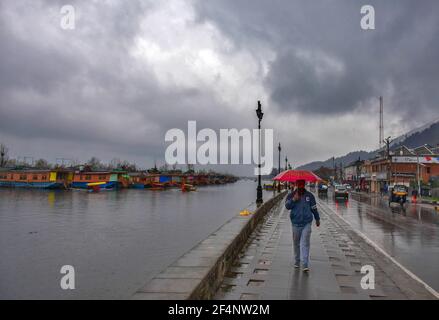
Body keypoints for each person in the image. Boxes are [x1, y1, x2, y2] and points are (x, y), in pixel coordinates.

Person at [285, 180, 320, 272]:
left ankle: (305, 263)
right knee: (296, 243)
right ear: (296, 184)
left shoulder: (310, 196)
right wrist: (293, 200)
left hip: (306, 223)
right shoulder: (291, 195)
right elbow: (287, 206)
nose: (301, 186)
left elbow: (314, 208)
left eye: (302, 184)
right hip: (295, 223)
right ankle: (297, 261)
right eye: (299, 184)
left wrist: (317, 219)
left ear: (304, 185)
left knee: (305, 242)